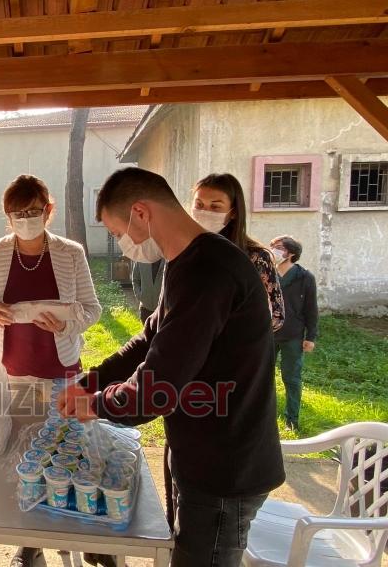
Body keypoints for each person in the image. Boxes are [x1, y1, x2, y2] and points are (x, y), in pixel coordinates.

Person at [60, 168, 285, 567]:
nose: (121, 243)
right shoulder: (184, 262)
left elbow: (155, 391)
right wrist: (88, 382)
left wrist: (95, 404)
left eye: (117, 232)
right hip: (199, 448)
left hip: (224, 465)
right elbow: (149, 340)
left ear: (141, 213)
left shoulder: (210, 270)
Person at [0, 174, 101, 567]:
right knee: (26, 456)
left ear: (48, 210)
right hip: (16, 370)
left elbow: (92, 309)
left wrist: (65, 323)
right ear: (7, 217)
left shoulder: (70, 252)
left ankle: (73, 533)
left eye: (33, 211)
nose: (26, 219)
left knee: (66, 452)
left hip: (61, 368)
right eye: (17, 213)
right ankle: (30, 543)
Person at [191, 173, 285, 331]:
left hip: (235, 350)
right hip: (191, 346)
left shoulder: (256, 257)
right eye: (199, 205)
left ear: (233, 212)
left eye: (215, 207)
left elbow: (277, 316)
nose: (204, 212)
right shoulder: (185, 250)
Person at [269, 235, 318, 432]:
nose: (273, 250)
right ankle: (265, 418)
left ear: (291, 253)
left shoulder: (305, 277)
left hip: (292, 335)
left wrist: (310, 337)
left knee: (291, 378)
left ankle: (292, 420)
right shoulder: (266, 273)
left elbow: (311, 309)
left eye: (278, 247)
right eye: (272, 246)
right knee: (263, 376)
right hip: (267, 334)